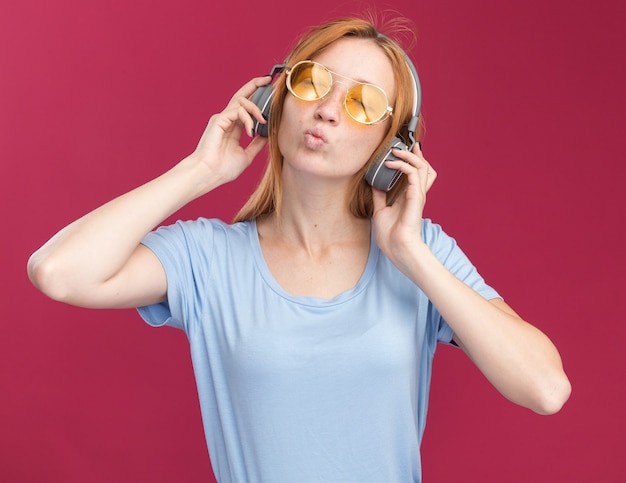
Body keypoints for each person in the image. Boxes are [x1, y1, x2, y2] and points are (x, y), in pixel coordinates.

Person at [27, 15, 571, 483]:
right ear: (275, 100)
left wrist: (412, 255)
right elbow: (59, 272)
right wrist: (200, 171)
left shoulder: (422, 255)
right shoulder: (207, 258)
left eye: (362, 102)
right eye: (313, 82)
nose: (329, 110)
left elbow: (545, 389)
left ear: (393, 145)